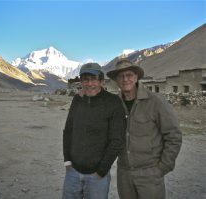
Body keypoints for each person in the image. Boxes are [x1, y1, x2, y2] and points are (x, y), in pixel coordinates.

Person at [106, 59, 182, 199]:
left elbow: (173, 136)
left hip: (150, 173)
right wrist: (82, 94)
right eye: (120, 76)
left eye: (129, 75)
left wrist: (162, 167)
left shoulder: (156, 102)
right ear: (116, 80)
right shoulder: (113, 104)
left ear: (136, 77)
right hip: (124, 173)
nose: (125, 79)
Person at [62, 63, 126, 199]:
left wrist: (101, 171)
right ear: (81, 82)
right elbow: (68, 131)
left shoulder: (113, 102)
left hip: (97, 176)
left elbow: (117, 140)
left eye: (94, 79)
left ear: (102, 81)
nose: (90, 84)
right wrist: (67, 161)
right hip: (73, 171)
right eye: (85, 79)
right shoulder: (77, 99)